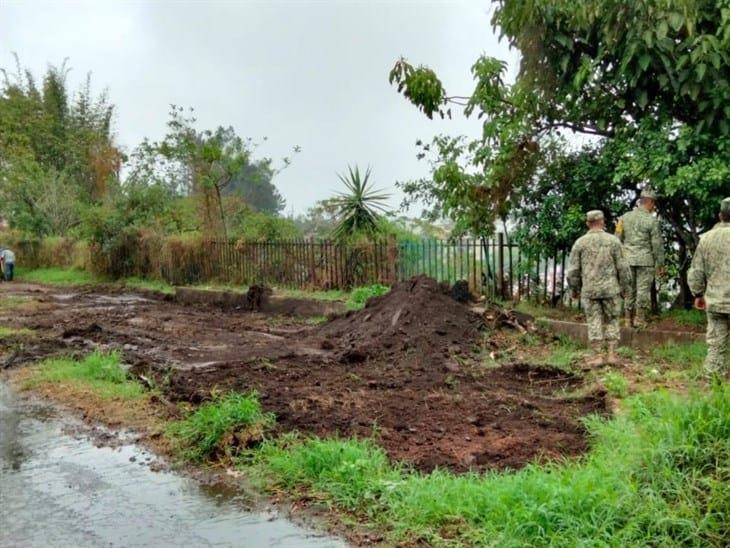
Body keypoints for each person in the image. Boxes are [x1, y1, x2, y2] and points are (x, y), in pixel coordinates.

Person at [568, 210, 632, 367]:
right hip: (611, 289)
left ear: (588, 223)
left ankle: (597, 355)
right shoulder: (613, 241)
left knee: (594, 320)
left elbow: (573, 270)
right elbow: (623, 267)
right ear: (602, 222)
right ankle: (611, 354)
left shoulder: (580, 243)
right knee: (612, 319)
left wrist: (574, 289)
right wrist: (626, 287)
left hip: (590, 290)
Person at [688, 198, 730, 380]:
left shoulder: (707, 238)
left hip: (716, 301)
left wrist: (698, 294)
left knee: (716, 346)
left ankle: (713, 386)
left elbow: (696, 271)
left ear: (721, 215)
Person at [616, 187, 665, 328]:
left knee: (629, 289)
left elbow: (617, 239)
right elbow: (657, 245)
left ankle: (627, 320)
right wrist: (660, 264)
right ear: (648, 202)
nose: (654, 206)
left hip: (627, 260)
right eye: (653, 203)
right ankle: (639, 319)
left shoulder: (623, 218)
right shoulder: (652, 221)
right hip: (645, 261)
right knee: (643, 290)